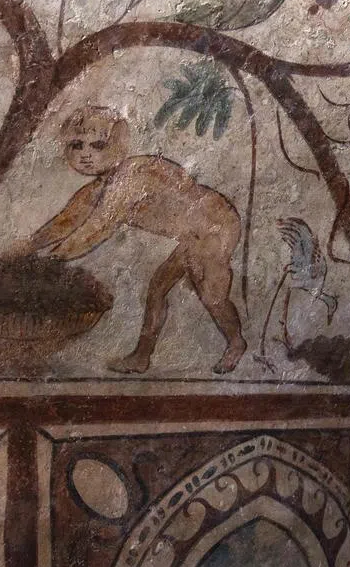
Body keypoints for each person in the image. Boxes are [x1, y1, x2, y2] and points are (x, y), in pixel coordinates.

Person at [23, 106, 247, 374]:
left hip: (216, 226)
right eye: (76, 145)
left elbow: (96, 230)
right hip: (193, 234)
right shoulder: (100, 188)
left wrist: (50, 261)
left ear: (119, 145)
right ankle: (141, 357)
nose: (85, 154)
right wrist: (22, 251)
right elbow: (65, 222)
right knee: (157, 289)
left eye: (97, 145)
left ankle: (236, 343)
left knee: (212, 296)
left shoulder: (130, 176)